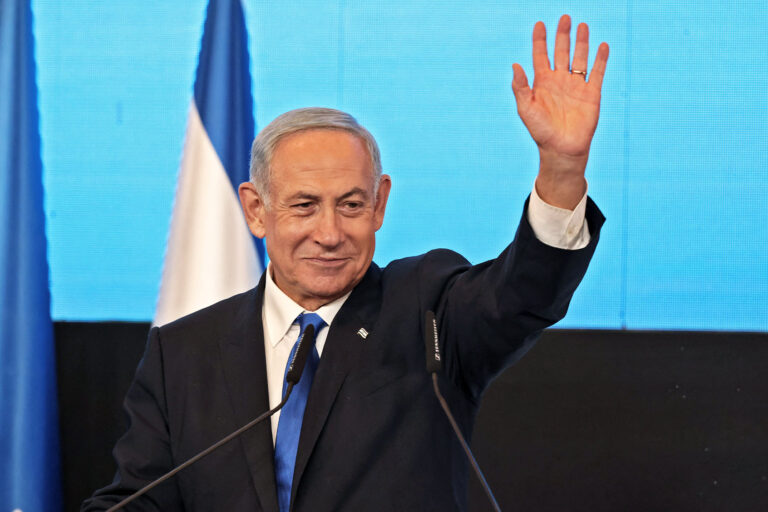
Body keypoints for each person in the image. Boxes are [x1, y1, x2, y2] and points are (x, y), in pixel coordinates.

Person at [83, 14, 609, 511]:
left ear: (380, 204)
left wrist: (562, 170)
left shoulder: (428, 310)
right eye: (304, 206)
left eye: (352, 205)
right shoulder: (183, 354)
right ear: (256, 210)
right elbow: (137, 499)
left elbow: (522, 296)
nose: (330, 233)